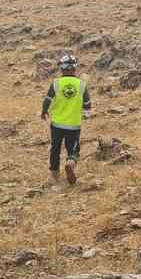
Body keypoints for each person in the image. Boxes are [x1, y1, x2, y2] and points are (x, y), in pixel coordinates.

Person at [41, 54, 92, 185]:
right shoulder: (81, 85)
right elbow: (87, 104)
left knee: (55, 148)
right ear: (75, 68)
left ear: (61, 68)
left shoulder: (56, 83)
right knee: (74, 150)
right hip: (74, 125)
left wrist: (44, 111)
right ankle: (70, 162)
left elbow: (47, 100)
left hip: (57, 124)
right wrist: (85, 114)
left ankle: (54, 175)